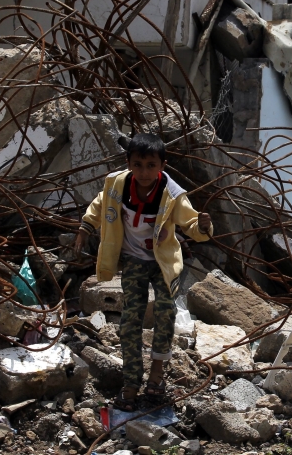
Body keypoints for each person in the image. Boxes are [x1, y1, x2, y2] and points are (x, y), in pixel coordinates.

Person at [74, 133, 212, 410]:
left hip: (163, 263)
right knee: (130, 320)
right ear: (129, 164)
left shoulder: (171, 194)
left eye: (151, 165)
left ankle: (157, 375)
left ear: (162, 165)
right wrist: (85, 227)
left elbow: (191, 224)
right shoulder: (118, 185)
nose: (144, 172)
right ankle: (131, 381)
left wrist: (203, 226)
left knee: (165, 311)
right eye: (138, 164)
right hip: (133, 261)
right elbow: (100, 203)